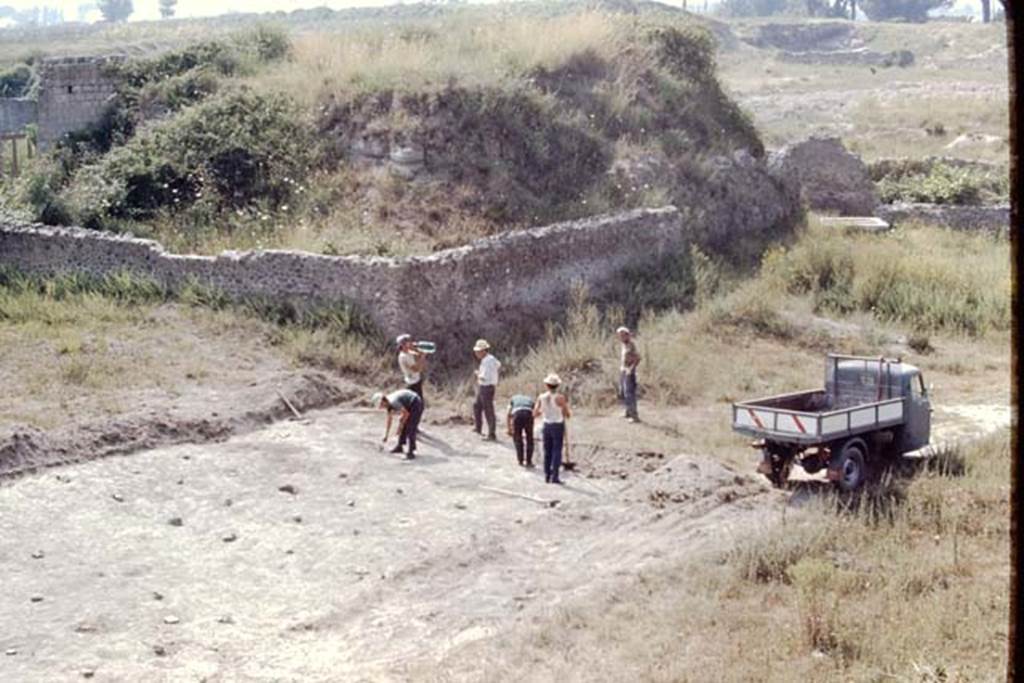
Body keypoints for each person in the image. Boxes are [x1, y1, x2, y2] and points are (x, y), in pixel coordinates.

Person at [534, 373, 571, 484]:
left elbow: (535, 413)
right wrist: (564, 412)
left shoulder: (541, 397)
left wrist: (544, 412)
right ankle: (555, 476)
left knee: (547, 451)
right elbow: (567, 413)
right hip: (557, 424)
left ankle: (547, 475)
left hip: (546, 424)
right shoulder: (560, 398)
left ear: (547, 385)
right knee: (556, 450)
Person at [372, 388, 423, 460]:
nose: (381, 407)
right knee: (403, 422)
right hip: (408, 405)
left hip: (415, 402)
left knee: (410, 427)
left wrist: (400, 427)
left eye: (381, 405)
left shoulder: (393, 402)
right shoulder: (388, 404)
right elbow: (389, 420)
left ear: (383, 401)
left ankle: (412, 451)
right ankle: (400, 446)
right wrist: (386, 435)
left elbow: (406, 414)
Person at [472, 339, 501, 441]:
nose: (476, 353)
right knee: (477, 405)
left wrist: (477, 374)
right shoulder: (491, 359)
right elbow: (499, 365)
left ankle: (491, 434)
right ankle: (478, 427)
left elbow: (483, 377)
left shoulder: (487, 361)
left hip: (486, 387)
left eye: (478, 351)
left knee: (488, 410)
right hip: (485, 387)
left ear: (484, 351)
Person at [617, 326, 641, 423]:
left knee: (630, 393)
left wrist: (631, 369)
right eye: (619, 336)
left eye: (622, 335)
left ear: (627, 335)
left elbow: (638, 358)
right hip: (623, 370)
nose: (620, 337)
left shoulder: (631, 345)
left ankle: (634, 416)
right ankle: (628, 412)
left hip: (629, 372)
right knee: (623, 392)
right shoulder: (624, 345)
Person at [506, 393, 535, 467]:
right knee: (529, 438)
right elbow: (534, 412)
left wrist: (509, 428)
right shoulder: (530, 400)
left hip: (517, 414)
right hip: (528, 414)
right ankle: (529, 461)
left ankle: (520, 460)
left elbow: (508, 414)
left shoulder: (513, 399)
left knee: (517, 437)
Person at [396, 334, 427, 403]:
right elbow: (416, 369)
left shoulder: (407, 352)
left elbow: (417, 353)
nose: (410, 343)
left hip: (415, 381)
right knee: (417, 405)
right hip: (412, 383)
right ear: (403, 344)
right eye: (407, 342)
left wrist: (416, 347)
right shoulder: (404, 357)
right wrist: (423, 357)